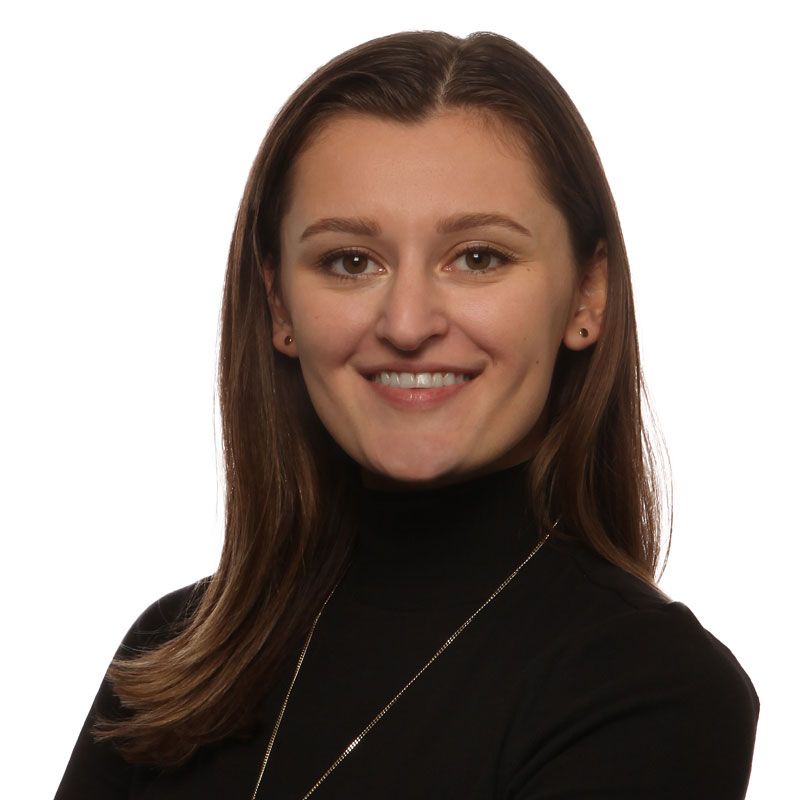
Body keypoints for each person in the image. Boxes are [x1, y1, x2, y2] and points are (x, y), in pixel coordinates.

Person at [54, 30, 759, 799]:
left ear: (587, 296)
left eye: (479, 257)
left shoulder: (652, 689)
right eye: (350, 261)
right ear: (279, 304)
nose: (408, 321)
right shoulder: (173, 656)